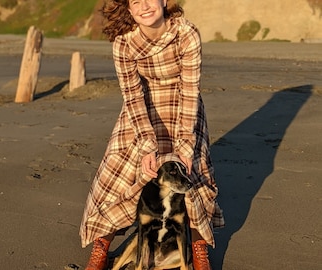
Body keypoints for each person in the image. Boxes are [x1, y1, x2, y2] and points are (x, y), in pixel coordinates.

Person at [79, 0, 224, 269]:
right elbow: (132, 95)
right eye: (136, 1)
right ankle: (101, 247)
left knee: (193, 175)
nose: (144, 6)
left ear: (164, 1)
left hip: (183, 108)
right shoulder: (124, 43)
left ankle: (198, 246)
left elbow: (191, 90)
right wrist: (147, 144)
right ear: (129, 9)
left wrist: (185, 145)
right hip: (141, 111)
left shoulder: (186, 33)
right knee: (116, 175)